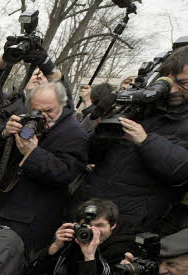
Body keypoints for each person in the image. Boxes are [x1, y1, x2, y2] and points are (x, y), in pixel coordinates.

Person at [77, 47, 188, 233]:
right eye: (169, 82)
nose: (173, 90)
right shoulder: (141, 108)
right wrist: (105, 126)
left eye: (184, 83)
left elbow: (182, 170)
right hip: (87, 206)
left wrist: (145, 141)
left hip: (130, 223)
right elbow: (89, 154)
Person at [0, 81, 88, 256]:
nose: (43, 116)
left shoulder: (74, 134)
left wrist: (32, 153)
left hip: (31, 219)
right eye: (37, 111)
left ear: (62, 104)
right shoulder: (26, 120)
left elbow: (65, 174)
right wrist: (5, 133)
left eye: (49, 111)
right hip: (2, 207)